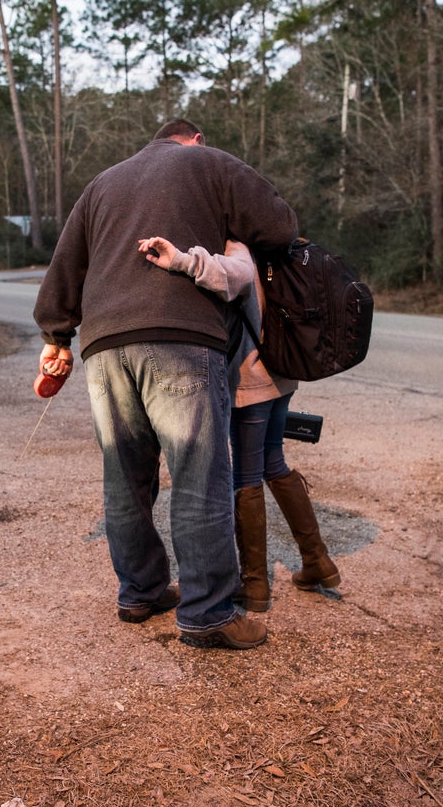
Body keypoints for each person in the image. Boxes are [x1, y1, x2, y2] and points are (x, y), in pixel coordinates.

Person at [33, 119, 299, 649]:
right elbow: (280, 226)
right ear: (196, 140)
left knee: (125, 476)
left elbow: (66, 264)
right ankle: (206, 614)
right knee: (200, 475)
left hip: (104, 349)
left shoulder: (102, 183)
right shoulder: (210, 163)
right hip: (180, 337)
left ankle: (141, 591)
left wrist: (56, 332)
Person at [137, 235, 341, 613]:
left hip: (252, 378)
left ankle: (254, 585)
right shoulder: (280, 247)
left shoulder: (239, 249)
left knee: (245, 476)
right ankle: (317, 561)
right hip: (285, 371)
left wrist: (184, 261)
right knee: (274, 462)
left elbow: (233, 281)